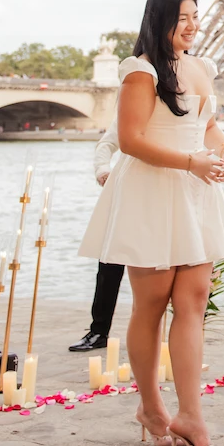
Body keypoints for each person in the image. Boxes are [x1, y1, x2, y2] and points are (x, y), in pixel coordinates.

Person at [79, 0, 224, 446]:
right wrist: (191, 162)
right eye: (184, 17)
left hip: (193, 191)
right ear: (161, 19)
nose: (193, 25)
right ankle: (151, 408)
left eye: (196, 16)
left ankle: (191, 414)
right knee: (150, 303)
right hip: (152, 189)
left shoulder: (200, 68)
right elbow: (129, 140)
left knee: (193, 299)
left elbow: (208, 127)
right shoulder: (140, 72)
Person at [69, 121, 125, 352]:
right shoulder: (133, 103)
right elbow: (107, 144)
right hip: (127, 193)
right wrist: (103, 170)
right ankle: (99, 330)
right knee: (109, 263)